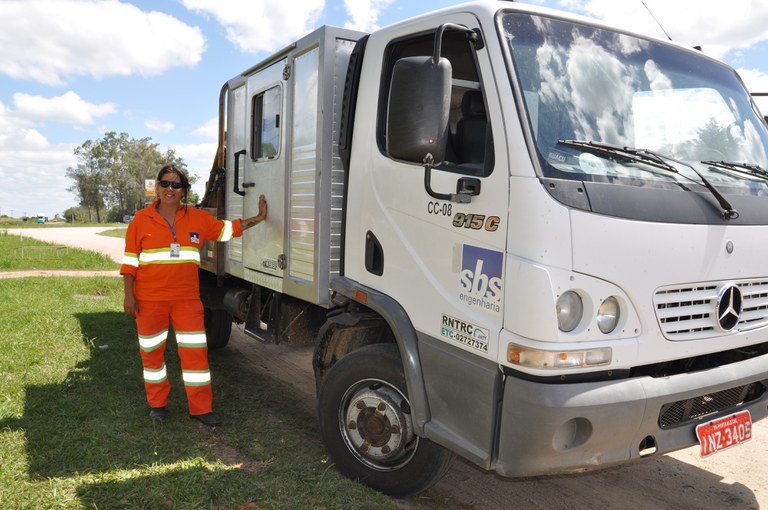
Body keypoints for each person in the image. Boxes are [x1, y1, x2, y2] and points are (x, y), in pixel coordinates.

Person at [120, 164, 267, 426]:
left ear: (184, 191)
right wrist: (128, 296)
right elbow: (130, 263)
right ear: (158, 187)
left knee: (195, 354)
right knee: (152, 354)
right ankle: (157, 404)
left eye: (176, 185)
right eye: (165, 183)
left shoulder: (197, 218)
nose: (170, 189)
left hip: (187, 301)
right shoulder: (141, 221)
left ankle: (200, 408)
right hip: (149, 300)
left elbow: (227, 229)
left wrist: (258, 218)